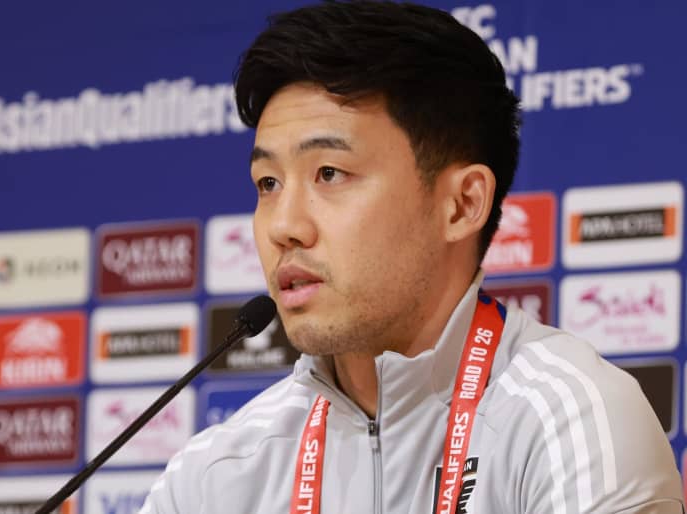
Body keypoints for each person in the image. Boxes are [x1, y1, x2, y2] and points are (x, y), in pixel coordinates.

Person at [139, 2, 684, 513]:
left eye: (329, 174)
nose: (284, 226)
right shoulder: (213, 478)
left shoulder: (574, 422)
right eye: (268, 183)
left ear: (461, 205)